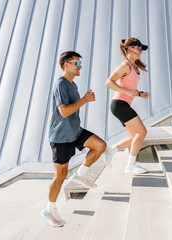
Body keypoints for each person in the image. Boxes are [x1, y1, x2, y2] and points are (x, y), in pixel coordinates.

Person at [41, 51, 107, 227]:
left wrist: (83, 99)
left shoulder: (73, 85)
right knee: (60, 176)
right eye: (77, 63)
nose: (80, 67)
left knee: (100, 145)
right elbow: (63, 112)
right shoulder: (60, 85)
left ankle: (81, 174)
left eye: (80, 63)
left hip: (75, 132)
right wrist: (85, 100)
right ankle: (50, 209)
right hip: (61, 137)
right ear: (66, 64)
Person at [104, 37, 149, 174]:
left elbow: (128, 86)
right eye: (138, 48)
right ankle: (130, 166)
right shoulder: (125, 66)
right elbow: (109, 82)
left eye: (142, 49)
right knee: (142, 132)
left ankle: (111, 151)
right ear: (129, 48)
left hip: (122, 104)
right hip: (119, 104)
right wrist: (127, 92)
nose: (141, 51)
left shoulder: (134, 66)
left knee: (136, 135)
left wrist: (140, 94)